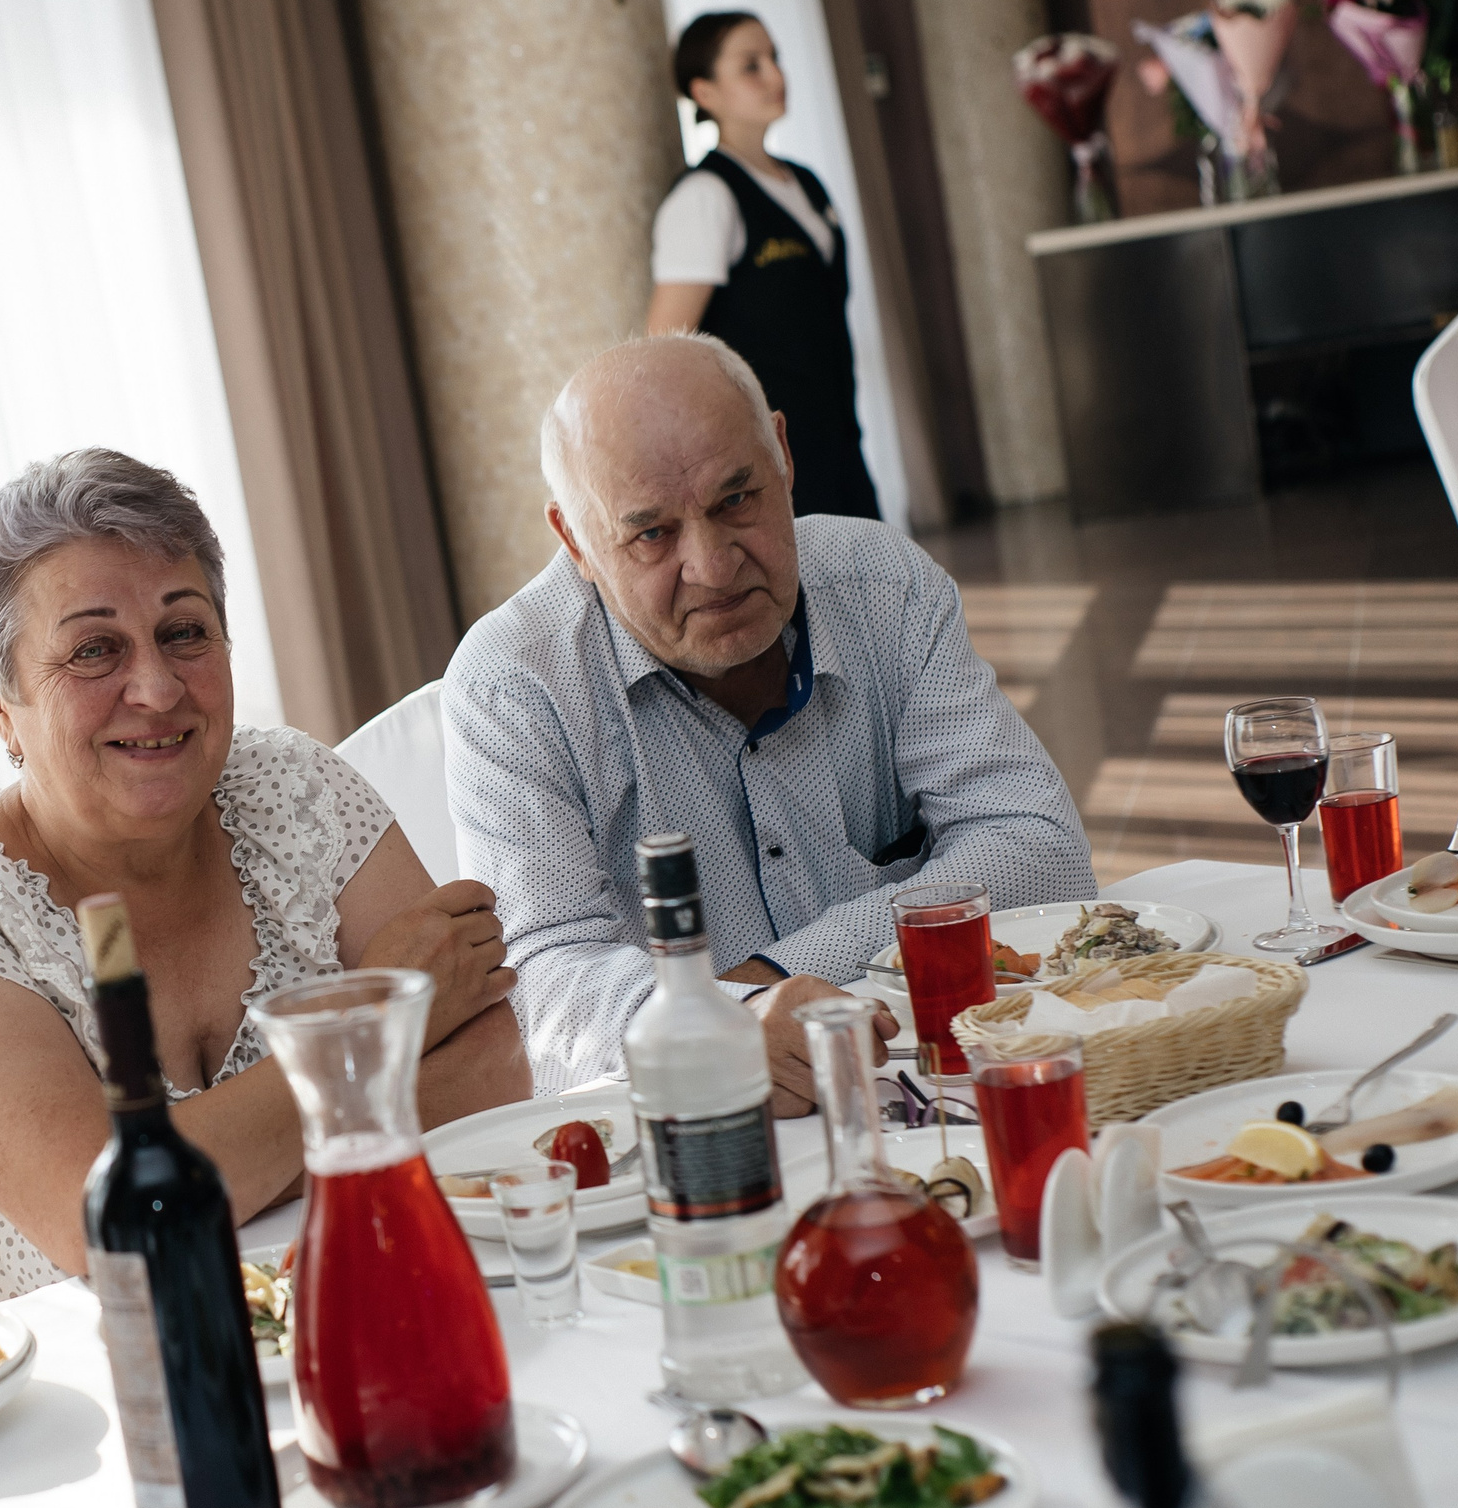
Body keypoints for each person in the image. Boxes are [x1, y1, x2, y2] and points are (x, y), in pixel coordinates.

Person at [0, 448, 530, 1302]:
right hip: (70, 1376)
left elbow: (496, 1071)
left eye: (184, 632)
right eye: (94, 650)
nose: (158, 687)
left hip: (353, 1303)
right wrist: (376, 1023)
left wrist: (209, 1180)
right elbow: (110, 1223)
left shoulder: (296, 786)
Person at [443, 335, 1094, 1106]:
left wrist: (764, 984)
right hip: (696, 1121)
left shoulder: (885, 585)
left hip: (936, 1081)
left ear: (782, 454)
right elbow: (547, 993)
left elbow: (1042, 850)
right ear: (575, 541)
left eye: (736, 500)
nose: (714, 566)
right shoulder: (512, 688)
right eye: (652, 533)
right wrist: (740, 1021)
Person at [646, 11, 882, 521]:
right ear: (705, 92)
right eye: (751, 65)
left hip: (839, 442)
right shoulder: (705, 198)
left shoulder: (805, 182)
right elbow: (665, 351)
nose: (776, 76)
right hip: (767, 466)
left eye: (775, 59)